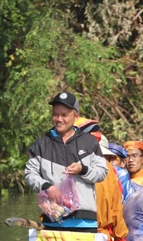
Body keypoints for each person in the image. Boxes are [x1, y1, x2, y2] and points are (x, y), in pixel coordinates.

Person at [24, 91, 109, 231]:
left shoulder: (90, 142)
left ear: (76, 116)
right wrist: (47, 187)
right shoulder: (40, 144)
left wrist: (83, 169)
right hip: (52, 221)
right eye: (55, 114)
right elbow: (29, 175)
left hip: (85, 222)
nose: (59, 119)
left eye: (64, 115)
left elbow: (101, 173)